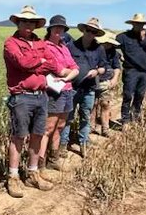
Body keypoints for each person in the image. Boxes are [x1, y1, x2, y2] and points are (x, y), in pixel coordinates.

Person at [2, 4, 52, 197]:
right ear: (19, 22)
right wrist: (40, 62)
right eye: (25, 21)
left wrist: (38, 63)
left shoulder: (41, 43)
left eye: (32, 22)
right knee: (18, 137)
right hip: (21, 96)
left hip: (41, 95)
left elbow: (52, 64)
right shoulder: (11, 43)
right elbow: (22, 63)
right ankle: (13, 177)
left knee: (38, 135)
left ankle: (32, 173)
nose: (28, 25)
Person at [66, 17, 111, 156]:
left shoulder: (99, 48)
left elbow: (104, 67)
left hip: (89, 89)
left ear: (96, 33)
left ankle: (83, 144)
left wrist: (97, 71)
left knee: (85, 117)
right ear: (84, 30)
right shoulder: (71, 46)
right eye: (88, 30)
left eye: (94, 31)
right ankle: (63, 145)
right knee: (68, 117)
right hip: (72, 88)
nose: (90, 33)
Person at [41, 15, 80, 172]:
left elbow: (75, 68)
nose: (59, 30)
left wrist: (65, 78)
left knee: (61, 125)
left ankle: (53, 158)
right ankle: (40, 163)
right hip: (53, 91)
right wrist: (66, 75)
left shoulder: (64, 47)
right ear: (50, 29)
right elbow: (55, 68)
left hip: (66, 89)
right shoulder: (45, 46)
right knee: (48, 127)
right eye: (56, 27)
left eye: (62, 28)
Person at [116, 13, 146, 124]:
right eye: (137, 23)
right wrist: (119, 57)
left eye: (142, 24)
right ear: (133, 24)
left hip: (144, 71)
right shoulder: (123, 37)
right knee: (128, 95)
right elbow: (112, 47)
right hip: (130, 70)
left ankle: (135, 117)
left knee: (140, 95)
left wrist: (143, 38)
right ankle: (125, 120)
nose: (139, 26)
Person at [94, 30, 121, 136]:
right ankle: (92, 127)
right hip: (94, 81)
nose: (109, 45)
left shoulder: (113, 52)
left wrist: (115, 79)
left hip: (106, 82)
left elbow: (117, 67)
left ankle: (105, 129)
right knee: (93, 105)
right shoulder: (94, 50)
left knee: (105, 104)